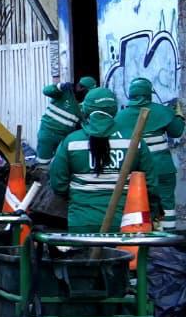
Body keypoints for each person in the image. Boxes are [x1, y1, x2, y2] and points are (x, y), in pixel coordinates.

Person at [50, 87, 156, 232]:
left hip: (81, 221)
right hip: (126, 222)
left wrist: (77, 198)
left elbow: (58, 184)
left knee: (82, 255)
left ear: (86, 109)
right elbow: (150, 185)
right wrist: (154, 211)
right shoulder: (134, 141)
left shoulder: (71, 141)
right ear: (114, 109)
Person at [115, 78, 184, 232]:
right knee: (167, 204)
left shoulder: (120, 117)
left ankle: (141, 237)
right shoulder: (162, 111)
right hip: (163, 168)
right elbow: (177, 131)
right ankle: (168, 241)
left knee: (137, 203)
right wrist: (178, 115)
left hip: (136, 170)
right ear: (149, 94)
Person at [36, 76, 97, 162]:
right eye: (88, 91)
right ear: (80, 87)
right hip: (47, 134)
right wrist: (59, 86)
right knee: (43, 161)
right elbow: (46, 90)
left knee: (60, 162)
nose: (89, 94)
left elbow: (85, 123)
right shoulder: (64, 93)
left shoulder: (86, 105)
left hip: (64, 138)